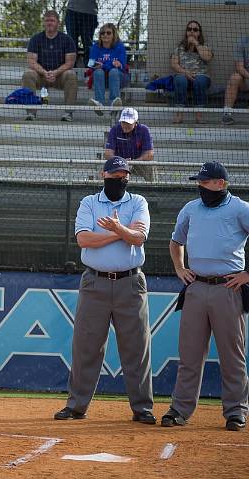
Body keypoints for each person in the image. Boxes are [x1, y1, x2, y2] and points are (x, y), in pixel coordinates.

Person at [54, 156, 155, 425]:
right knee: (86, 346)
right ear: (104, 175)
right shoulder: (89, 202)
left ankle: (142, 408)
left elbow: (138, 237)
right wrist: (119, 232)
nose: (119, 179)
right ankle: (76, 406)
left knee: (136, 347)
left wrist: (117, 229)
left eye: (124, 175)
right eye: (114, 175)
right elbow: (84, 239)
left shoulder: (137, 202)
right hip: (94, 282)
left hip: (130, 282)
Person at [162, 161, 249, 432]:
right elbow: (176, 241)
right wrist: (179, 268)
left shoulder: (241, 208)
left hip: (229, 288)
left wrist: (248, 274)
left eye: (206, 182)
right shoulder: (191, 208)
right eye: (199, 182)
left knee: (232, 356)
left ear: (220, 183)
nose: (201, 187)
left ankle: (236, 412)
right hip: (196, 287)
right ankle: (180, 409)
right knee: (189, 355)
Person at [22, 10, 77, 122]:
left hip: (59, 76)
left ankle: (68, 113)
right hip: (41, 76)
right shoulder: (36, 39)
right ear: (43, 22)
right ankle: (31, 113)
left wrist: (55, 72)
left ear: (58, 23)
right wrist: (44, 72)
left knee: (71, 74)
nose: (49, 23)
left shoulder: (67, 40)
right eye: (47, 20)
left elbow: (70, 63)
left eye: (52, 20)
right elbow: (31, 61)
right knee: (28, 74)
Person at [170, 20, 213, 124]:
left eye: (195, 30)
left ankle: (199, 115)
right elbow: (174, 64)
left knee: (200, 81)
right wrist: (185, 73)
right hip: (183, 76)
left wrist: (196, 44)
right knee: (180, 80)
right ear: (186, 32)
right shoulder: (179, 48)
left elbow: (207, 57)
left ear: (199, 33)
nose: (192, 32)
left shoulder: (205, 46)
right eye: (189, 29)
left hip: (201, 77)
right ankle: (179, 115)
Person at [104, 108, 155, 182]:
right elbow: (108, 154)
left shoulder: (144, 130)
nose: (125, 125)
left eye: (128, 123)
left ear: (136, 122)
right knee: (105, 167)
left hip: (138, 163)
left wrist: (134, 162)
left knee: (149, 167)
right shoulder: (114, 129)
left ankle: (152, 189)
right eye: (123, 122)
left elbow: (149, 154)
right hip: (118, 163)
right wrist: (121, 161)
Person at [88, 23, 128, 113]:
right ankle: (99, 104)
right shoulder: (95, 46)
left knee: (113, 71)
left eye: (108, 33)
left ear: (114, 35)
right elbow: (91, 64)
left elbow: (122, 66)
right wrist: (110, 64)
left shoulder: (120, 46)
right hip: (102, 79)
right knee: (98, 72)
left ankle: (114, 103)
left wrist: (103, 65)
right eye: (102, 33)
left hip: (118, 78)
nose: (105, 35)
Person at [221, 36, 249, 126]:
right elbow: (239, 67)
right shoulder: (242, 42)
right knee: (234, 77)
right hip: (247, 79)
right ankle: (227, 113)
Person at [64, 0, 98, 67]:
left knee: (88, 42)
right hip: (72, 10)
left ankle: (89, 69)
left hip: (89, 11)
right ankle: (71, 69)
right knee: (72, 42)